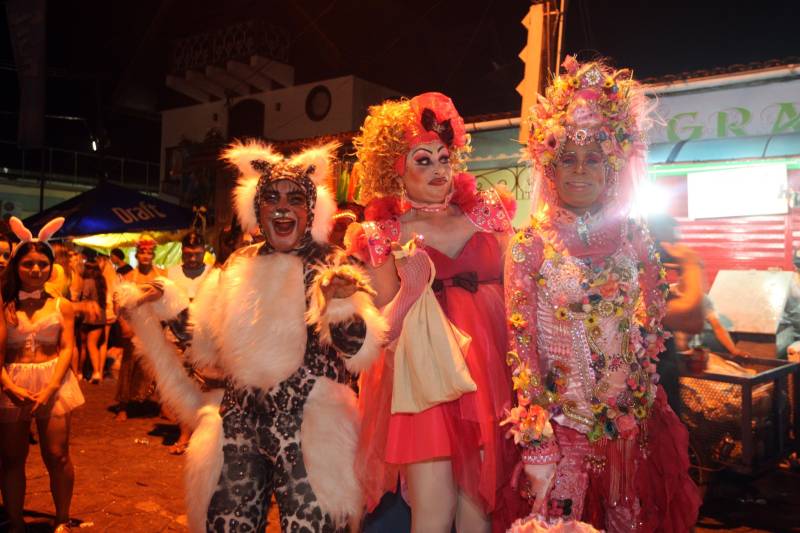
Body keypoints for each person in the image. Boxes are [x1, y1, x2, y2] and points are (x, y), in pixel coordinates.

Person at [115, 141, 387, 532]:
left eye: (294, 199)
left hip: (310, 424)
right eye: (271, 198)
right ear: (256, 208)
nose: (282, 207)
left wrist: (342, 307)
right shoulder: (239, 263)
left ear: (310, 209)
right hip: (240, 421)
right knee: (226, 525)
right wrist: (166, 302)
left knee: (313, 526)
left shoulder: (332, 263)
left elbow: (358, 351)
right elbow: (205, 343)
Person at [504, 57, 701, 531]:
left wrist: (642, 380)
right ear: (549, 166)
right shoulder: (530, 244)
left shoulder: (634, 236)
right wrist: (535, 429)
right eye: (567, 158)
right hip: (562, 422)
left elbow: (653, 313)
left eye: (594, 158)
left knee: (628, 520)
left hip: (628, 425)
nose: (579, 170)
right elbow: (520, 340)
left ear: (612, 167)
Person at [347, 92, 525, 532]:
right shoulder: (380, 233)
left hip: (488, 377)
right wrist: (408, 292)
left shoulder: (490, 214)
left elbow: (521, 294)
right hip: (423, 382)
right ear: (397, 168)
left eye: (444, 158)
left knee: (480, 505)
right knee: (431, 509)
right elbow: (380, 332)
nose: (438, 169)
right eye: (423, 159)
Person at [0, 217, 84, 533]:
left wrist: (50, 387)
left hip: (55, 382)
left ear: (51, 267)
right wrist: (7, 385)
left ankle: (62, 518)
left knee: (58, 455)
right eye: (28, 264)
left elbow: (66, 348)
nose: (36, 270)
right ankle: (17, 522)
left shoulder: (63, 306)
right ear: (16, 266)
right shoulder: (4, 304)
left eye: (42, 264)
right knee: (10, 458)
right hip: (11, 384)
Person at [163, 230, 211, 455]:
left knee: (205, 387)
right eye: (188, 254)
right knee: (182, 387)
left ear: (204, 251)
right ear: (182, 252)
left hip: (204, 339)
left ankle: (203, 436)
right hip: (175, 337)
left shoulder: (213, 274)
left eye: (197, 254)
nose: (192, 258)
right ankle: (184, 434)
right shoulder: (171, 273)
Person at [114, 236, 163, 421]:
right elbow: (119, 305)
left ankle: (155, 402)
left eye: (149, 252)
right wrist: (125, 325)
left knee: (156, 366)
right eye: (142, 252)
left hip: (155, 325)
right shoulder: (128, 277)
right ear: (137, 254)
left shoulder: (161, 275)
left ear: (153, 255)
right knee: (129, 365)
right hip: (134, 326)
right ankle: (123, 405)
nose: (145, 256)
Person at [79, 249, 107, 383]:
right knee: (95, 344)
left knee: (85, 345)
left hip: (88, 317)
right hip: (101, 316)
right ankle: (97, 372)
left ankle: (85, 372)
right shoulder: (102, 281)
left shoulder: (87, 281)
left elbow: (84, 298)